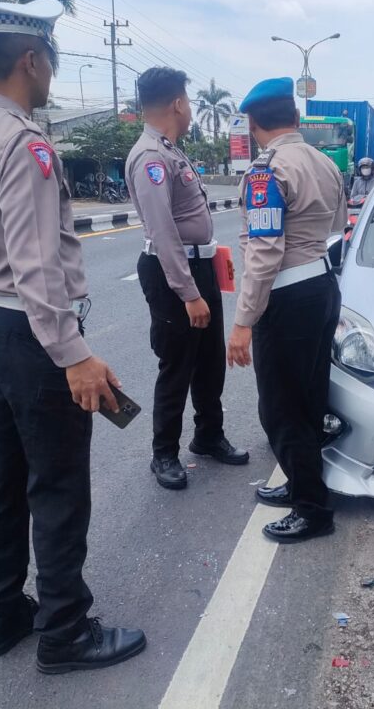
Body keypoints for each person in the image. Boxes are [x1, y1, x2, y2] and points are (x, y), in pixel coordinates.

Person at [0, 0, 145, 674]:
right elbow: (34, 265)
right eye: (50, 58)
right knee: (56, 482)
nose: (51, 71)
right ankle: (65, 631)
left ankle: (2, 614)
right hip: (31, 332)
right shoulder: (25, 145)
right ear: (31, 60)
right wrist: (72, 354)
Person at [227, 77, 346, 543]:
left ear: (254, 123)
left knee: (283, 407)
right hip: (320, 286)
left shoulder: (266, 172)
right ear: (296, 119)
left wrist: (242, 322)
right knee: (310, 398)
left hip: (288, 297)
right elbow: (337, 226)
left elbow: (264, 253)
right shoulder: (323, 162)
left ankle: (312, 509)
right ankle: (302, 483)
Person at [126, 67, 249, 490]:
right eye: (189, 101)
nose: (191, 108)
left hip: (199, 266)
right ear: (178, 103)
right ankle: (164, 453)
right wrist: (189, 293)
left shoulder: (171, 151)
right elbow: (163, 234)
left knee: (209, 361)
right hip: (172, 272)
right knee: (177, 364)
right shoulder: (151, 158)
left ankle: (208, 435)